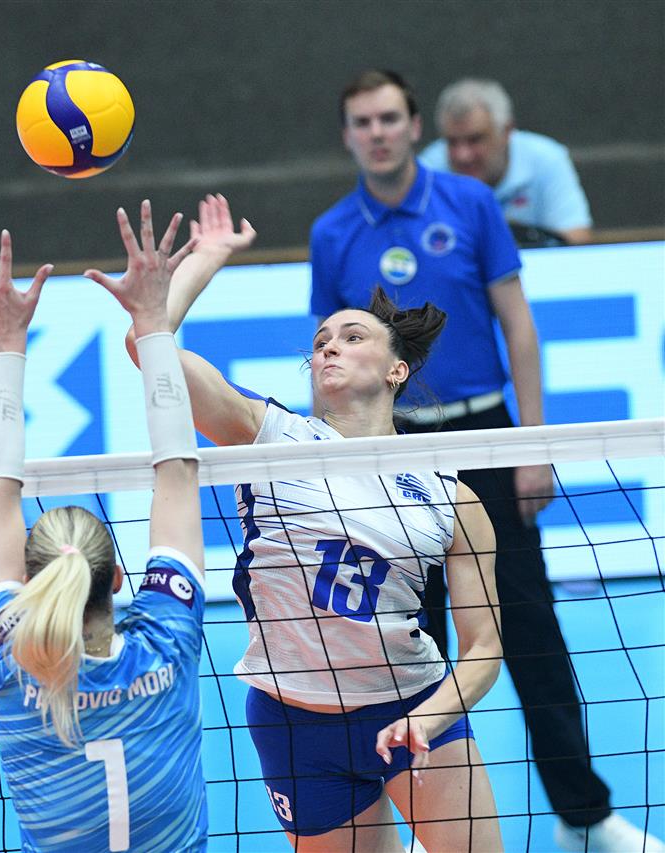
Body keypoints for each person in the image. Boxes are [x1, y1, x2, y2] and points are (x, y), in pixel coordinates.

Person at [310, 69, 663, 853]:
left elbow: (518, 325)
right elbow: (328, 359)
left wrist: (533, 444)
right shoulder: (332, 233)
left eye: (389, 118)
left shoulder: (469, 203)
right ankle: (413, 828)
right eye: (363, 121)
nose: (377, 132)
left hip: (489, 439)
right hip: (389, 451)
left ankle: (585, 816)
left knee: (532, 633)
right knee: (400, 648)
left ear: (412, 127)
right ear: (348, 135)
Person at [140, 194, 504, 850]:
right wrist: (208, 259)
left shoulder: (451, 496)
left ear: (396, 370)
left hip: (412, 705)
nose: (330, 345)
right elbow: (148, 348)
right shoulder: (270, 436)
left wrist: (431, 718)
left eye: (353, 336)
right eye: (321, 341)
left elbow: (484, 647)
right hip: (293, 723)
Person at [0, 202, 208, 851]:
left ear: (29, 580)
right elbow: (180, 473)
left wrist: (6, 341)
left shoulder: (11, 657)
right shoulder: (167, 642)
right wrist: (153, 320)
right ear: (118, 577)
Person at [421, 78, 593, 246]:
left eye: (475, 140)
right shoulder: (428, 170)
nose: (463, 155)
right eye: (451, 142)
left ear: (507, 131)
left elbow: (577, 242)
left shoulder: (546, 159)